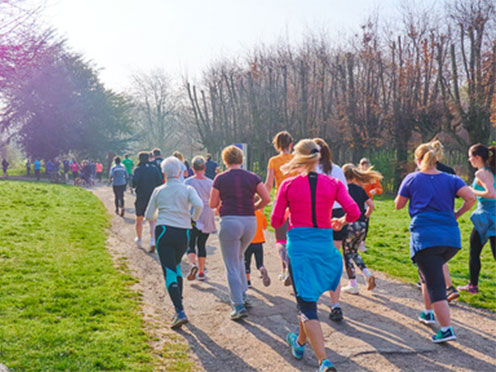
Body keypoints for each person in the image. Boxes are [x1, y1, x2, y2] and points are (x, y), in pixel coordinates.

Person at [271, 139, 360, 372]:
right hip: (324, 244)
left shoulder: (288, 185)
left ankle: (324, 361)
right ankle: (299, 344)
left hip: (299, 246)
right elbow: (354, 211)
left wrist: (290, 209)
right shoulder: (332, 183)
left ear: (298, 158)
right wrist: (341, 220)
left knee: (307, 303)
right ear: (319, 157)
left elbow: (275, 221)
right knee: (306, 298)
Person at [395, 141, 475, 343]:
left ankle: (446, 329)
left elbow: (398, 205)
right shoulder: (452, 179)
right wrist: (457, 213)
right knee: (426, 276)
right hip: (450, 238)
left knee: (436, 285)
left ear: (418, 159)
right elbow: (471, 198)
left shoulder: (412, 178)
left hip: (426, 238)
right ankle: (428, 313)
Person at [209, 145, 271, 320]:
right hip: (250, 222)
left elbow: (212, 204)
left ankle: (238, 304)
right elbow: (266, 198)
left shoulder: (220, 178)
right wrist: (254, 207)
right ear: (241, 159)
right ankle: (243, 295)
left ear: (225, 160)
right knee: (239, 258)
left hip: (230, 221)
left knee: (231, 264)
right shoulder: (252, 177)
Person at [145, 156, 203, 329]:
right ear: (180, 172)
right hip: (183, 231)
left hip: (164, 231)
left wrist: (160, 215)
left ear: (163, 173)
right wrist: (192, 219)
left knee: (169, 269)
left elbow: (148, 215)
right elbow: (199, 205)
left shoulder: (158, 190)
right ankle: (180, 304)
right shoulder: (188, 189)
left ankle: (179, 311)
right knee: (176, 266)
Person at [314, 138, 347, 321]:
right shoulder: (337, 170)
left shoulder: (311, 171)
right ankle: (335, 304)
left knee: (315, 260)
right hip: (337, 214)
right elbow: (346, 196)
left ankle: (312, 300)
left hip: (318, 215)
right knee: (332, 260)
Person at [458, 144, 496, 294]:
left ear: (477, 157)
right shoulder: (492, 171)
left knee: (474, 252)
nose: (469, 160)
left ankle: (473, 286)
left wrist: (471, 190)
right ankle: (472, 285)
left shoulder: (482, 173)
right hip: (491, 216)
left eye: (470, 157)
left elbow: (491, 194)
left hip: (486, 217)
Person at [340, 163, 382, 294]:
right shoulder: (360, 189)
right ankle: (367, 274)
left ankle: (353, 284)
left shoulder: (343, 189)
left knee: (347, 255)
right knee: (354, 252)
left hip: (349, 223)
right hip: (361, 225)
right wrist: (366, 217)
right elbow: (371, 205)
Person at [265, 131, 296, 285]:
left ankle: (285, 270)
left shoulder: (273, 161)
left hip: (281, 202)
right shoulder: (298, 160)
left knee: (281, 239)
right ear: (291, 144)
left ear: (277, 145)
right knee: (295, 236)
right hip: (297, 201)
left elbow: (269, 184)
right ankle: (294, 269)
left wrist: (263, 200)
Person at [184, 156, 217, 281]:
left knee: (191, 243)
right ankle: (202, 272)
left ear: (193, 168)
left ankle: (192, 264)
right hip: (207, 213)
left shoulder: (187, 182)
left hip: (193, 212)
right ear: (205, 167)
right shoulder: (211, 182)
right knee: (202, 244)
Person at [132, 152, 163, 251]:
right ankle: (152, 240)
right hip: (152, 197)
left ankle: (139, 239)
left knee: (139, 219)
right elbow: (160, 182)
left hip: (141, 196)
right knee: (153, 221)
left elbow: (133, 183)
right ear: (149, 158)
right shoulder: (154, 169)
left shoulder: (138, 170)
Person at [358, 158, 383, 252]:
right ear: (359, 166)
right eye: (363, 164)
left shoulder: (372, 177)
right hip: (357, 201)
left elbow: (379, 189)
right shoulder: (357, 175)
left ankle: (362, 243)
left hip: (367, 201)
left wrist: (375, 191)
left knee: (365, 220)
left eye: (366, 164)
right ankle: (354, 241)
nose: (365, 166)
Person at [244, 205, 271, 288]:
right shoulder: (260, 214)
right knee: (259, 263)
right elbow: (265, 226)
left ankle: (248, 282)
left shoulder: (246, 215)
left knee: (246, 262)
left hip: (248, 242)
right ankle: (262, 270)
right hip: (259, 242)